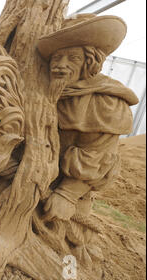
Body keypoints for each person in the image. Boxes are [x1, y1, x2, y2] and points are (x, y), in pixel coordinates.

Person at [36, 14, 139, 221]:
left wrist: (68, 194)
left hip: (66, 194)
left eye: (72, 58)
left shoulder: (107, 103)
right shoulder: (42, 90)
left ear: (90, 63)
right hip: (31, 179)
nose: (60, 65)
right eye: (57, 58)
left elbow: (98, 154)